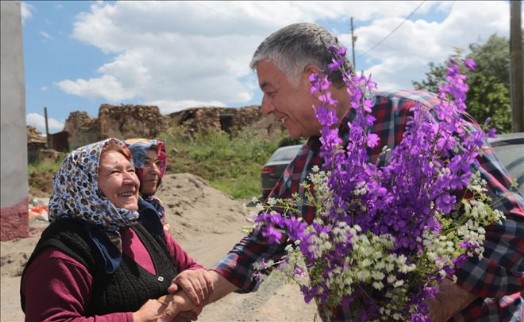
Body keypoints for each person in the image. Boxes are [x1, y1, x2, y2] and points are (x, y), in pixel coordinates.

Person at [163, 22, 524, 322]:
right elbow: (265, 239)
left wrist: (441, 300)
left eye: (270, 91)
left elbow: (511, 224)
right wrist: (204, 285)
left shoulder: (419, 119)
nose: (264, 108)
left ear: (313, 78)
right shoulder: (311, 159)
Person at [20, 138, 211, 322]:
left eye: (130, 169)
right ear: (85, 184)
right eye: (115, 172)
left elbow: (194, 270)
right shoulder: (64, 252)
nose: (132, 180)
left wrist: (177, 300)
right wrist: (135, 319)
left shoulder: (143, 225)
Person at [125, 138, 170, 231]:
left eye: (157, 163)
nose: (155, 171)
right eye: (145, 163)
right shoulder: (119, 211)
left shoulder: (156, 205)